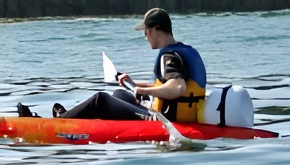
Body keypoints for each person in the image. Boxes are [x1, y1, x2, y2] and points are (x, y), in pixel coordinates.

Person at [38, 8, 207, 122]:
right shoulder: (184, 50)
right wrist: (135, 85)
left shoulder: (169, 56)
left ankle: (62, 122)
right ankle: (78, 119)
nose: (145, 36)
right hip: (174, 115)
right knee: (120, 93)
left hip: (162, 120)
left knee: (100, 100)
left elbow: (177, 87)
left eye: (146, 31)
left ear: (155, 30)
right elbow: (170, 84)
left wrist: (143, 91)